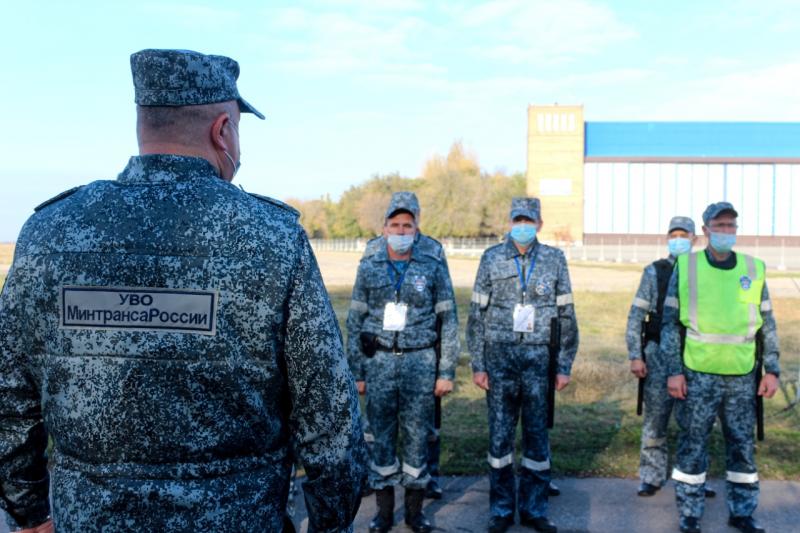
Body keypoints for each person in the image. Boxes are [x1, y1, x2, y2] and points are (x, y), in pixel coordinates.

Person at [0, 48, 368, 532]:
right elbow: (329, 418)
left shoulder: (49, 232)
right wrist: (329, 520)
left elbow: (10, 397)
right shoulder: (272, 238)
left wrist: (29, 511)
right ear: (222, 131)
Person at [663, 202, 780, 533]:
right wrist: (674, 370)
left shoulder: (754, 268)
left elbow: (767, 324)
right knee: (692, 445)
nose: (726, 230)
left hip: (743, 377)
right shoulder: (686, 267)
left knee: (742, 446)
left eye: (731, 225)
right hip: (697, 375)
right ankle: (689, 513)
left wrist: (771, 370)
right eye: (720, 225)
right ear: (706, 230)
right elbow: (670, 324)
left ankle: (742, 512)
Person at [346, 192, 460, 533]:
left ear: (416, 227)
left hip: (420, 362)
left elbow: (449, 319)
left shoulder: (432, 263)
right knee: (381, 437)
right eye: (394, 224)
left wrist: (446, 371)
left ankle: (414, 514)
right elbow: (355, 321)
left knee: (416, 437)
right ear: (383, 229)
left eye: (407, 225)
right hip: (379, 361)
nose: (401, 230)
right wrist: (358, 372)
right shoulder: (369, 264)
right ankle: (383, 513)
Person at [467, 197, 579, 533]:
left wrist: (563, 365)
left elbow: (567, 316)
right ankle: (501, 509)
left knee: (536, 440)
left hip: (539, 363)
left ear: (539, 224)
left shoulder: (555, 259)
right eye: (518, 220)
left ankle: (534, 509)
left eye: (529, 221)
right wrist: (478, 364)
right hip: (499, 362)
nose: (523, 226)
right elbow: (476, 316)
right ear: (510, 221)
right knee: (500, 441)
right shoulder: (491, 258)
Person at [626, 216, 716, 499]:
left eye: (684, 234)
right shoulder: (654, 271)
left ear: (695, 238)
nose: (678, 239)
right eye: (673, 234)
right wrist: (635, 355)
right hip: (658, 355)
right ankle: (651, 477)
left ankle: (696, 477)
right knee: (656, 420)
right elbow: (636, 316)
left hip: (697, 355)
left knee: (697, 422)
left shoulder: (705, 270)